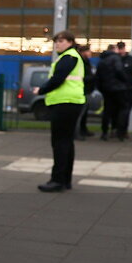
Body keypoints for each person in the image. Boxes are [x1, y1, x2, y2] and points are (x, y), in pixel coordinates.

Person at [34, 31, 87, 191]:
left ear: (70, 42)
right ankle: (65, 180)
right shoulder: (73, 56)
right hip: (71, 102)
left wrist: (41, 89)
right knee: (67, 142)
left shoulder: (68, 57)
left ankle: (57, 180)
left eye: (61, 41)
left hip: (65, 103)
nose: (57, 44)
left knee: (60, 142)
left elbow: (57, 78)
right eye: (56, 41)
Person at [95, 43, 128, 141]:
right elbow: (119, 70)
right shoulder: (116, 58)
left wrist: (101, 87)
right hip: (118, 88)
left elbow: (98, 76)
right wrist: (125, 80)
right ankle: (119, 132)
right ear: (114, 50)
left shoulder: (102, 60)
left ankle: (104, 132)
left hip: (106, 89)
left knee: (107, 111)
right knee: (122, 109)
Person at [75, 44, 95, 140]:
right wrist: (92, 77)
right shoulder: (81, 62)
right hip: (83, 90)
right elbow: (82, 77)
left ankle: (83, 130)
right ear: (83, 52)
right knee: (80, 114)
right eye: (88, 51)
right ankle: (77, 132)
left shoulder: (86, 62)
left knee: (84, 113)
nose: (90, 53)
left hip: (87, 89)